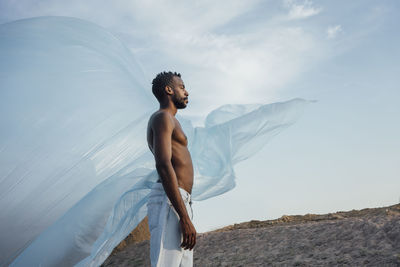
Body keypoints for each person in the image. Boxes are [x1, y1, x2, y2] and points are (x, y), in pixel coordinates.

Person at [146, 71, 196, 267]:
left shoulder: (171, 120)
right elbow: (163, 164)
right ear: (169, 89)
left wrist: (185, 211)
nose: (187, 92)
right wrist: (183, 216)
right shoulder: (162, 117)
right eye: (182, 87)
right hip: (170, 201)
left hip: (178, 201)